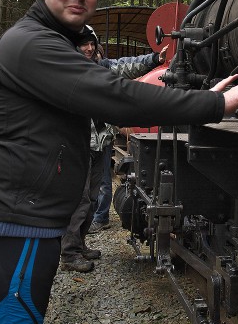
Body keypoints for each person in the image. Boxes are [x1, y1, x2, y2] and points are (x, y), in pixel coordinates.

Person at [0, 0, 238, 324]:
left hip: (18, 226)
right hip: (11, 231)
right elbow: (117, 98)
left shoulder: (49, 41)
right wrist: (214, 105)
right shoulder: (32, 44)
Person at [60, 27, 167, 272]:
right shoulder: (67, 71)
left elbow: (128, 65)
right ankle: (69, 254)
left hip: (101, 144)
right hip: (78, 146)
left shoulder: (103, 68)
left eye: (91, 44)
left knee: (93, 197)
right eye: (83, 44)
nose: (88, 49)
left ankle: (80, 244)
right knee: (80, 198)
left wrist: (154, 58)